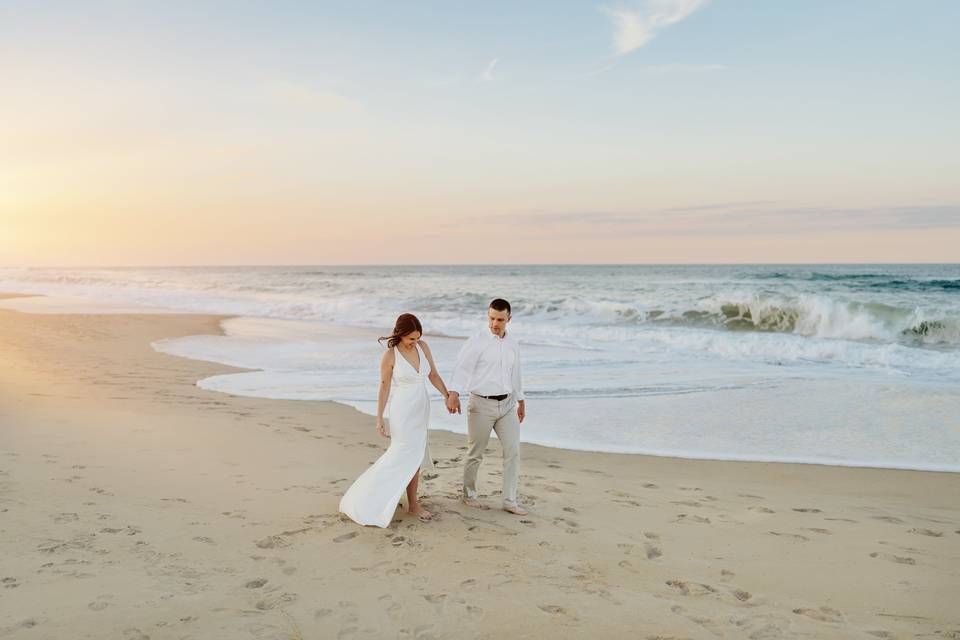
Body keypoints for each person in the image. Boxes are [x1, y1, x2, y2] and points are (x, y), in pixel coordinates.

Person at [339, 313, 451, 527]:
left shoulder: (423, 347)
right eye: (411, 339)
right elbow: (384, 387)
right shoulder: (390, 356)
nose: (414, 342)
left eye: (417, 338)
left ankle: (412, 503)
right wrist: (379, 417)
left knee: (416, 456)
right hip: (403, 412)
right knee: (401, 455)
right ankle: (376, 500)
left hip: (421, 410)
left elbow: (433, 375)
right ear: (399, 335)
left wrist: (447, 396)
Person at [446, 298, 528, 516]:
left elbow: (516, 373)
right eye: (491, 318)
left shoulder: (513, 343)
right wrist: (453, 394)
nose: (495, 323)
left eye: (500, 319)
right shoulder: (477, 341)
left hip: (508, 405)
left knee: (513, 452)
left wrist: (521, 400)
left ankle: (510, 500)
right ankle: (469, 495)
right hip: (481, 405)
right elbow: (462, 368)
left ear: (509, 319)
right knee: (476, 453)